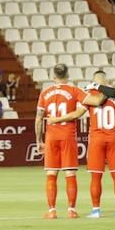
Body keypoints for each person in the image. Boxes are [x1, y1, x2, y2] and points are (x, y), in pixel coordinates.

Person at [48, 70, 115, 218]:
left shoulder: (90, 94)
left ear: (94, 80)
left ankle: (96, 210)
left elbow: (76, 114)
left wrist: (56, 120)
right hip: (113, 138)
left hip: (96, 139)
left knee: (96, 177)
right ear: (106, 79)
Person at [35, 63, 86, 219]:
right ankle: (72, 210)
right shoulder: (74, 90)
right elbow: (87, 105)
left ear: (53, 76)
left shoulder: (45, 93)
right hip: (68, 135)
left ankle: (52, 211)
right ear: (68, 75)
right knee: (70, 173)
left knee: (51, 173)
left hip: (51, 137)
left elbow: (38, 119)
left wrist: (39, 140)